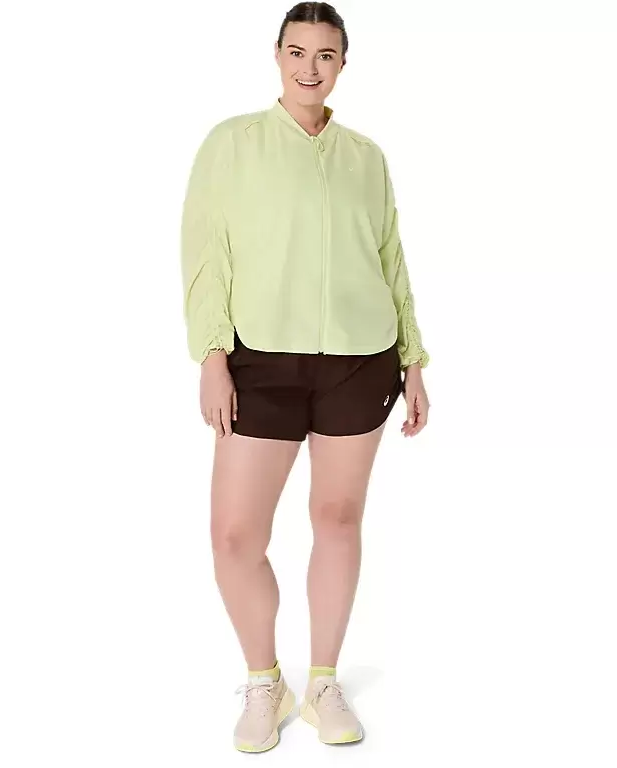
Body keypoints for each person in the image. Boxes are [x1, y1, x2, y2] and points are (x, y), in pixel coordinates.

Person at [179, 1, 430, 753]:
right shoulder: (232, 145)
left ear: (342, 64)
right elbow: (206, 253)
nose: (310, 68)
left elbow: (390, 257)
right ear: (278, 55)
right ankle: (266, 681)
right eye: (297, 52)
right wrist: (211, 356)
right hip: (259, 359)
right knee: (234, 536)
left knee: (338, 518)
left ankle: (323, 682)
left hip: (361, 357)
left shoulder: (366, 157)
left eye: (325, 55)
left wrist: (414, 359)